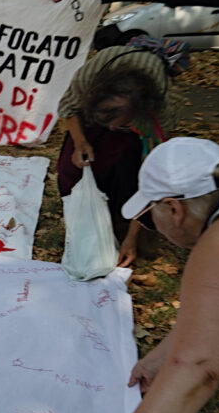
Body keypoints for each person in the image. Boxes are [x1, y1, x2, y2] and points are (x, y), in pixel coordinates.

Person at [80, 137, 219, 413]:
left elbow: (199, 366)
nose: (152, 226)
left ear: (174, 208)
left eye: (150, 216)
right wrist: (163, 354)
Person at [57, 44, 185, 268]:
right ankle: (85, 224)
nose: (111, 128)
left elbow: (150, 180)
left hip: (141, 121)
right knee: (71, 169)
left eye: (119, 124)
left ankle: (129, 227)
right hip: (93, 115)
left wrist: (131, 239)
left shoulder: (162, 109)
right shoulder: (89, 77)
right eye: (105, 120)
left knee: (128, 175)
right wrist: (81, 143)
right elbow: (68, 108)